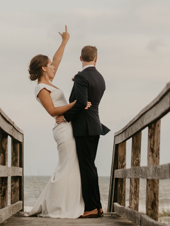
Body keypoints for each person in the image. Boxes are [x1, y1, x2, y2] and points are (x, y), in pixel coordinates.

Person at [27, 26, 92, 219]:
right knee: (66, 167)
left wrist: (64, 41)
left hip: (68, 126)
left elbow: (57, 60)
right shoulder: (40, 87)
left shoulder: (49, 80)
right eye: (50, 65)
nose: (54, 66)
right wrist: (76, 104)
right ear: (44, 68)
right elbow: (52, 111)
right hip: (62, 129)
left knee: (70, 166)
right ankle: (58, 206)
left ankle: (64, 203)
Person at [57, 44, 110, 218]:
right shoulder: (100, 78)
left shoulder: (81, 77)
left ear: (80, 58)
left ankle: (91, 208)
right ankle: (98, 206)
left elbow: (80, 102)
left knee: (86, 168)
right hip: (95, 126)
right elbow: (86, 102)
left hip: (84, 128)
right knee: (90, 166)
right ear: (96, 59)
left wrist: (64, 117)